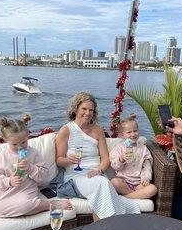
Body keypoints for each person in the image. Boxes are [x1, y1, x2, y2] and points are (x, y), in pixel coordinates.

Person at [56, 92, 142, 221]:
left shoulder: (98, 130)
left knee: (102, 182)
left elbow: (105, 158)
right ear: (76, 109)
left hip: (97, 174)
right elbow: (58, 160)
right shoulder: (66, 130)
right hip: (75, 176)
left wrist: (99, 170)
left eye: (91, 110)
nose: (88, 113)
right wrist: (68, 160)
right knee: (103, 183)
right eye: (84, 109)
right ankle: (118, 224)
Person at [0, 114, 72, 218]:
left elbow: (42, 176)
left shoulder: (33, 153)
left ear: (27, 136)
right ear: (5, 140)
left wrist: (30, 168)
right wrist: (9, 181)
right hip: (7, 193)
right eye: (14, 144)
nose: (19, 147)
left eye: (23, 142)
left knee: (26, 205)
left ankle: (50, 204)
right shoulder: (1, 157)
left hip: (26, 191)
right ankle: (33, 207)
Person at [109, 114, 157, 199]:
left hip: (139, 183)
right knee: (114, 182)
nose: (133, 134)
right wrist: (121, 159)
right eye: (129, 132)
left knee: (153, 189)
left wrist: (145, 178)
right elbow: (115, 167)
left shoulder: (143, 148)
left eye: (135, 131)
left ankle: (125, 198)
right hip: (124, 181)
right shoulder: (119, 148)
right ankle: (136, 195)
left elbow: (147, 166)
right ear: (122, 135)